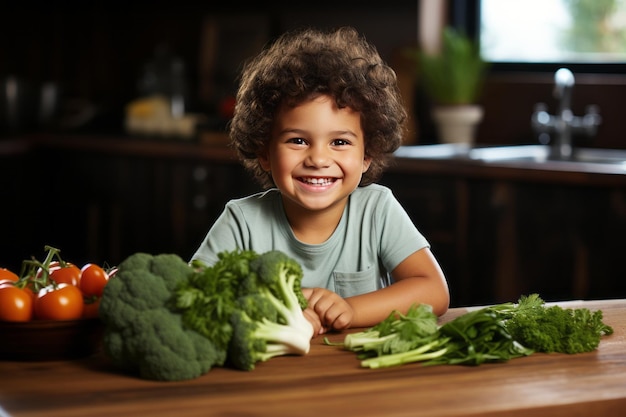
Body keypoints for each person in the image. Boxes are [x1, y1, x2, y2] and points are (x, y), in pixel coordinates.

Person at [191, 26, 449, 336]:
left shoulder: (377, 209)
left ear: (368, 154)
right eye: (298, 141)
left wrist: (351, 309)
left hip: (360, 374)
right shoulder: (241, 221)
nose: (318, 159)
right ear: (264, 152)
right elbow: (196, 296)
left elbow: (434, 291)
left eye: (339, 142)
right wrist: (273, 310)